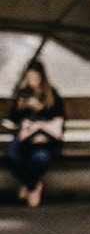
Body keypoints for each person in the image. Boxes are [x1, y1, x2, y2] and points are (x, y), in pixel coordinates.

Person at [3, 59, 65, 208]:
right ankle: (32, 185)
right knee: (10, 156)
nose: (32, 81)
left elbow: (59, 118)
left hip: (45, 138)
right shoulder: (23, 93)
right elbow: (13, 119)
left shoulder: (51, 94)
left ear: (41, 77)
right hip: (26, 137)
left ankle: (29, 185)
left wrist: (40, 108)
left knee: (40, 158)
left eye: (35, 77)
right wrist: (20, 107)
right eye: (29, 77)